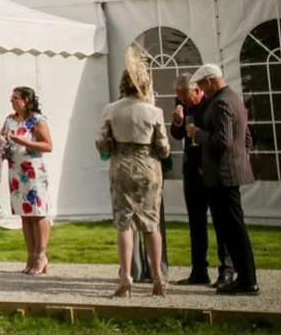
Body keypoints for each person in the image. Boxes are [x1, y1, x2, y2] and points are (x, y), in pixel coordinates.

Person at [97, 47, 170, 297]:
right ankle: (158, 276)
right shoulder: (154, 111)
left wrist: (115, 148)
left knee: (124, 222)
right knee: (151, 223)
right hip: (148, 167)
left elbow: (102, 143)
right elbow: (163, 147)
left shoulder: (111, 109)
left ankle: (126, 275)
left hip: (121, 167)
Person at [187, 62, 258, 296]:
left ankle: (248, 279)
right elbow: (246, 137)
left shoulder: (220, 102)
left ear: (209, 81)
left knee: (233, 229)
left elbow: (222, 141)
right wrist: (242, 157)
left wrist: (198, 135)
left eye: (201, 86)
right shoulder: (234, 97)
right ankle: (244, 277)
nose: (201, 91)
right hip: (228, 171)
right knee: (231, 228)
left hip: (224, 175)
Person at [172, 74, 230, 287]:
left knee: (220, 221)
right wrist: (177, 122)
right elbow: (179, 136)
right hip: (191, 169)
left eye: (185, 97)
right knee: (196, 223)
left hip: (211, 169)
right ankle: (199, 270)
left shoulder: (212, 104)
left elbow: (219, 136)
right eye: (180, 98)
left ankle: (226, 270)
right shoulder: (183, 105)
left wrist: (198, 133)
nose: (183, 102)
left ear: (198, 91)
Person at [1, 85, 54, 275]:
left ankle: (41, 254)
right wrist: (1, 144)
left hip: (33, 171)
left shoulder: (36, 121)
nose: (12, 101)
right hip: (16, 171)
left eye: (16, 98)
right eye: (11, 98)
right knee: (25, 215)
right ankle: (31, 255)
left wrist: (24, 142)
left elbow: (48, 145)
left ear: (27, 100)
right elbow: (3, 137)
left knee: (38, 213)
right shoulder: (9, 120)